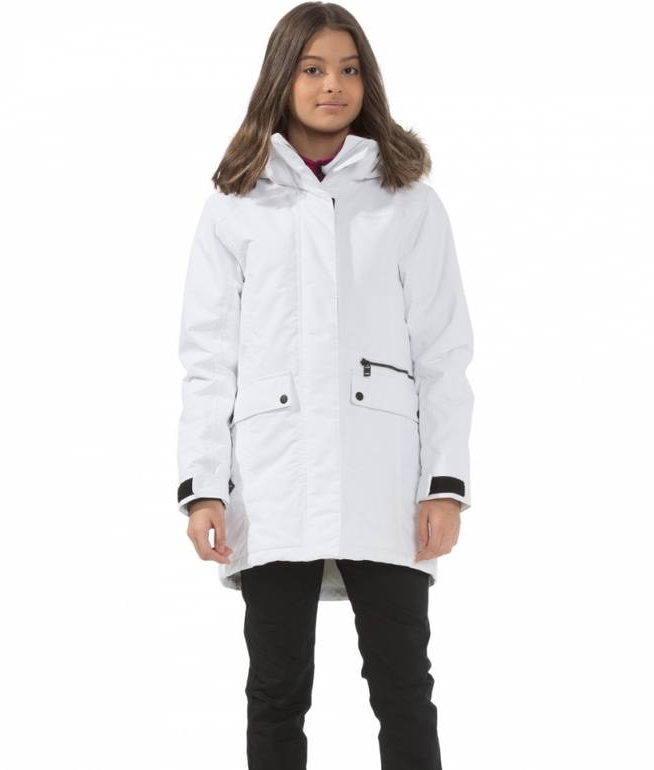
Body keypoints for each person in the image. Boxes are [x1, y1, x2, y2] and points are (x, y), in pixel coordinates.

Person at [176, 3, 474, 768]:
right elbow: (208, 358)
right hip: (273, 479)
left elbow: (443, 350)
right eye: (312, 69)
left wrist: (443, 485)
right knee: (276, 690)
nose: (332, 85)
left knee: (403, 686)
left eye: (348, 69)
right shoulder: (235, 207)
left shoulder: (407, 201)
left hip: (384, 481)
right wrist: (204, 487)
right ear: (282, 79)